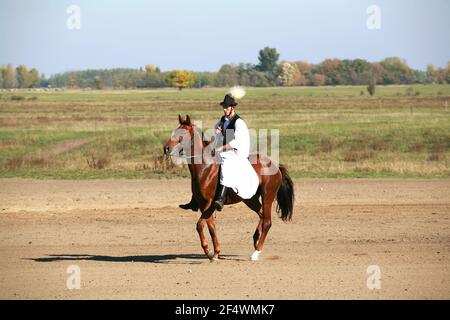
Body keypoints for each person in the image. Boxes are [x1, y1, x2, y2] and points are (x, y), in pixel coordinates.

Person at [179, 87, 258, 212]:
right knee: (205, 163)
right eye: (224, 107)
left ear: (233, 108)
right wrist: (217, 132)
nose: (224, 109)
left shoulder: (239, 123)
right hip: (226, 150)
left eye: (226, 107)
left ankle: (220, 198)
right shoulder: (223, 120)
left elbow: (235, 142)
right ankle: (196, 199)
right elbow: (217, 133)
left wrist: (220, 147)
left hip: (238, 152)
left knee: (225, 162)